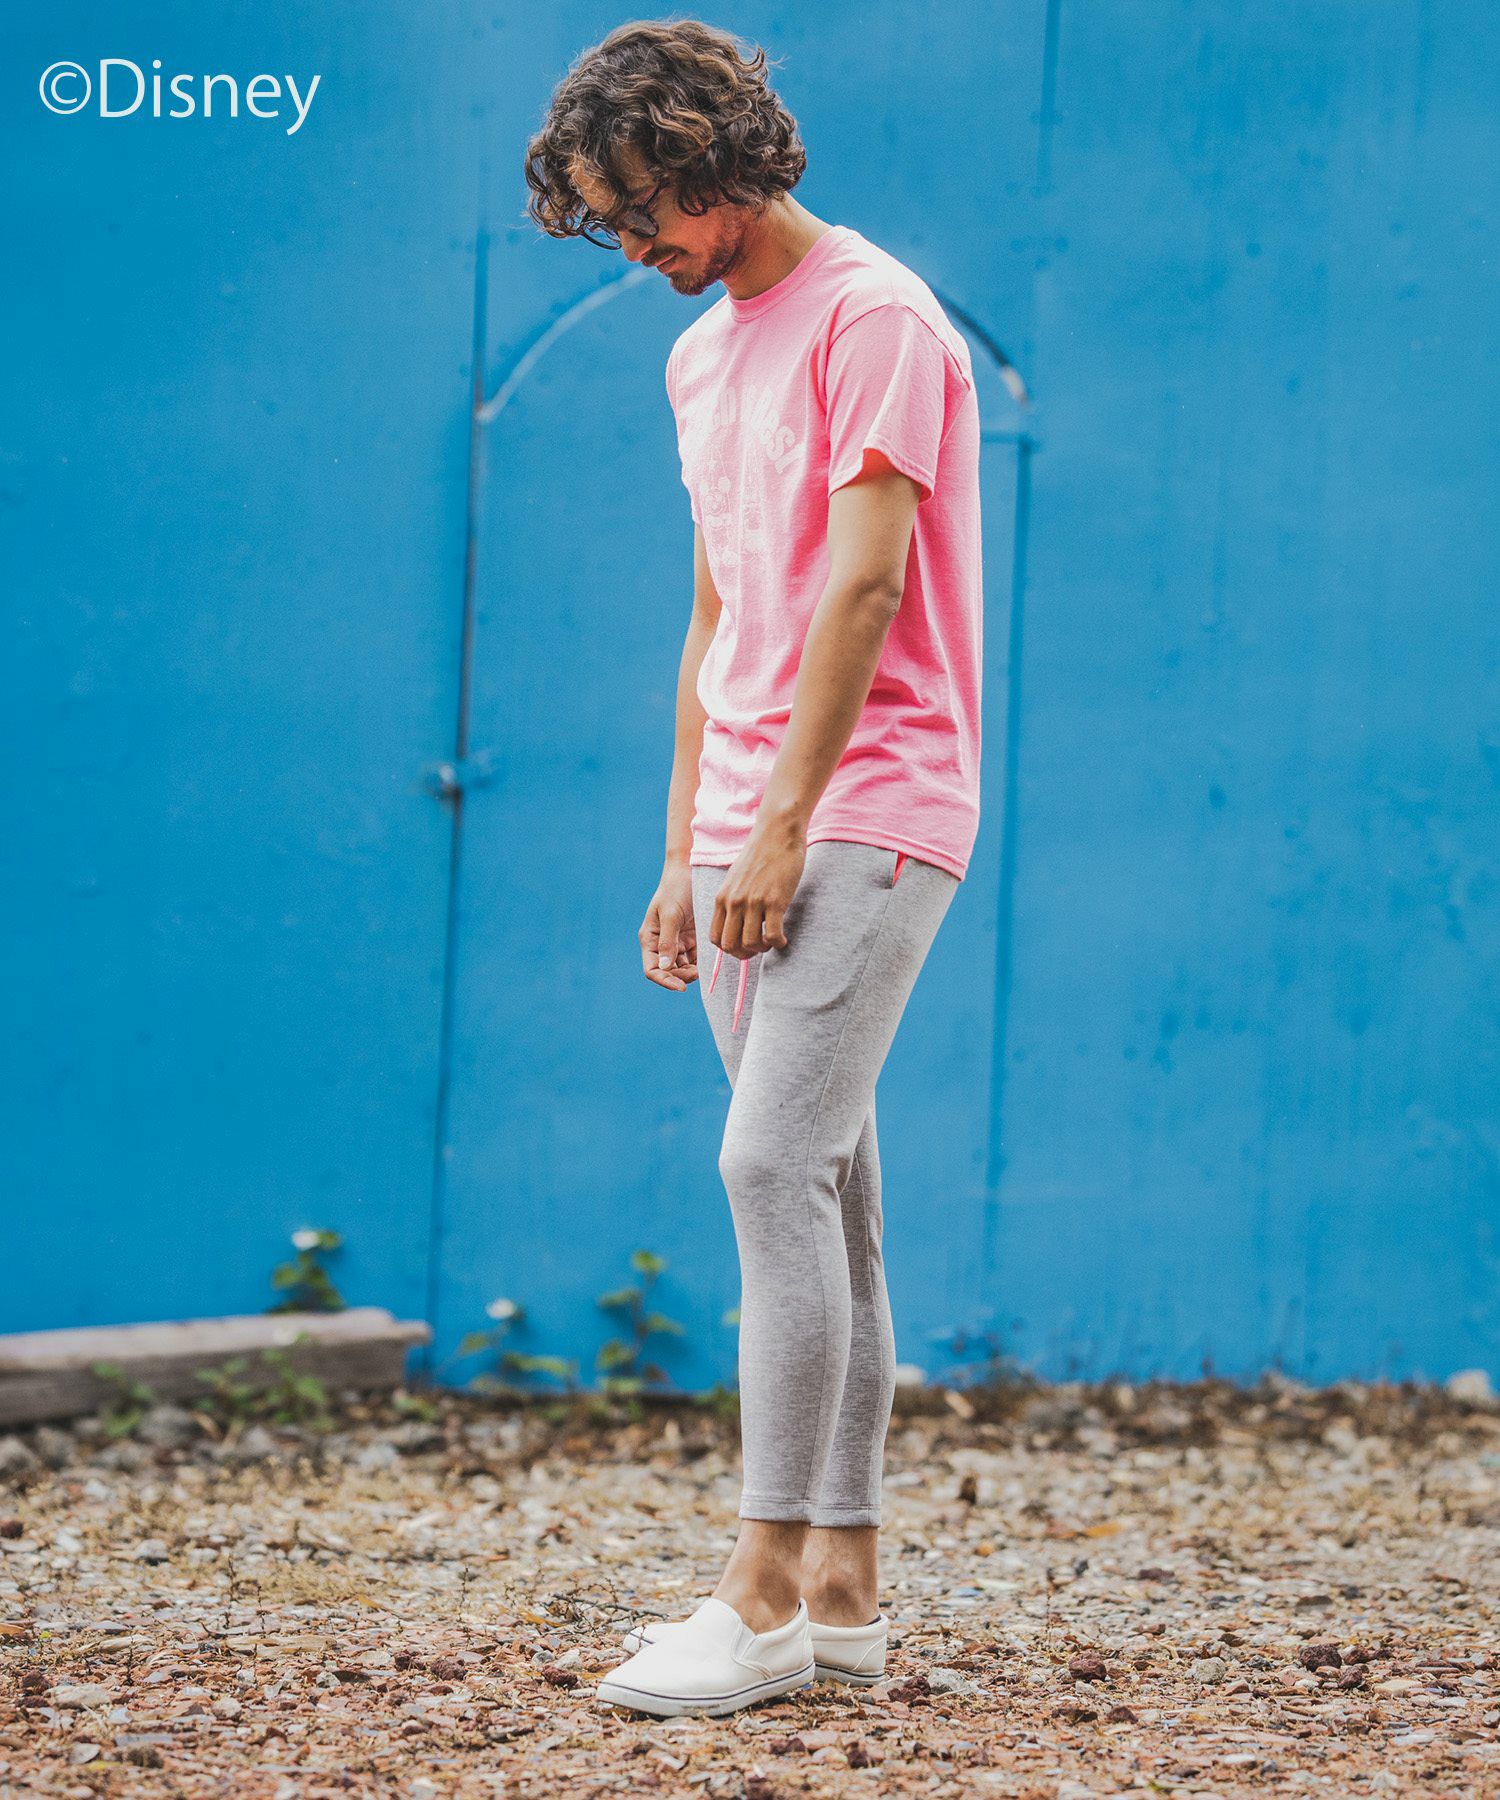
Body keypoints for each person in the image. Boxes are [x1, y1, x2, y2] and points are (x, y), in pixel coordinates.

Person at [524, 18, 983, 1719]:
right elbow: (723, 605)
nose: (632, 246)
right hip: (744, 819)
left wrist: (783, 824)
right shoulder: (700, 356)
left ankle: (761, 1589)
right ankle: (844, 1595)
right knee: (831, 1204)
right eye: (607, 223)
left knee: (767, 1168)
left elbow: (865, 587)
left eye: (642, 208)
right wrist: (687, 843)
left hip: (869, 802)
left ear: (712, 156)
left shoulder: (877, 316)